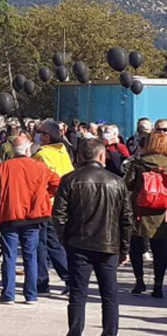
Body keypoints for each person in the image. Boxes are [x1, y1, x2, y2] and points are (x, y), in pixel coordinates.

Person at [52, 138, 132, 336]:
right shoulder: (116, 181)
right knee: (110, 295)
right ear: (101, 155)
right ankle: (110, 333)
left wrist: (66, 239)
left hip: (79, 244)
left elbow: (58, 215)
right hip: (108, 245)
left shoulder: (70, 179)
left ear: (80, 156)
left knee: (78, 295)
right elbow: (126, 218)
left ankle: (75, 332)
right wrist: (124, 248)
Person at [0, 133, 60, 305]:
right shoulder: (40, 167)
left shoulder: (4, 167)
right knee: (30, 256)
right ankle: (31, 294)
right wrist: (44, 196)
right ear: (28, 149)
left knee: (10, 256)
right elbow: (57, 184)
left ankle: (8, 293)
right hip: (33, 216)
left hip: (9, 215)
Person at [124, 121, 167, 298]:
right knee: (160, 251)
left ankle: (139, 281)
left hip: (140, 211)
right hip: (162, 213)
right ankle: (158, 285)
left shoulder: (138, 163)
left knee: (136, 247)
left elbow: (127, 184)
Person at [32, 120, 73, 295]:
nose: (38, 136)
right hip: (62, 204)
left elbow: (35, 180)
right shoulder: (63, 152)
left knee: (41, 244)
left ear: (47, 136)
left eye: (40, 133)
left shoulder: (42, 155)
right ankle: (69, 278)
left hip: (45, 204)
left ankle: (42, 281)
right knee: (55, 243)